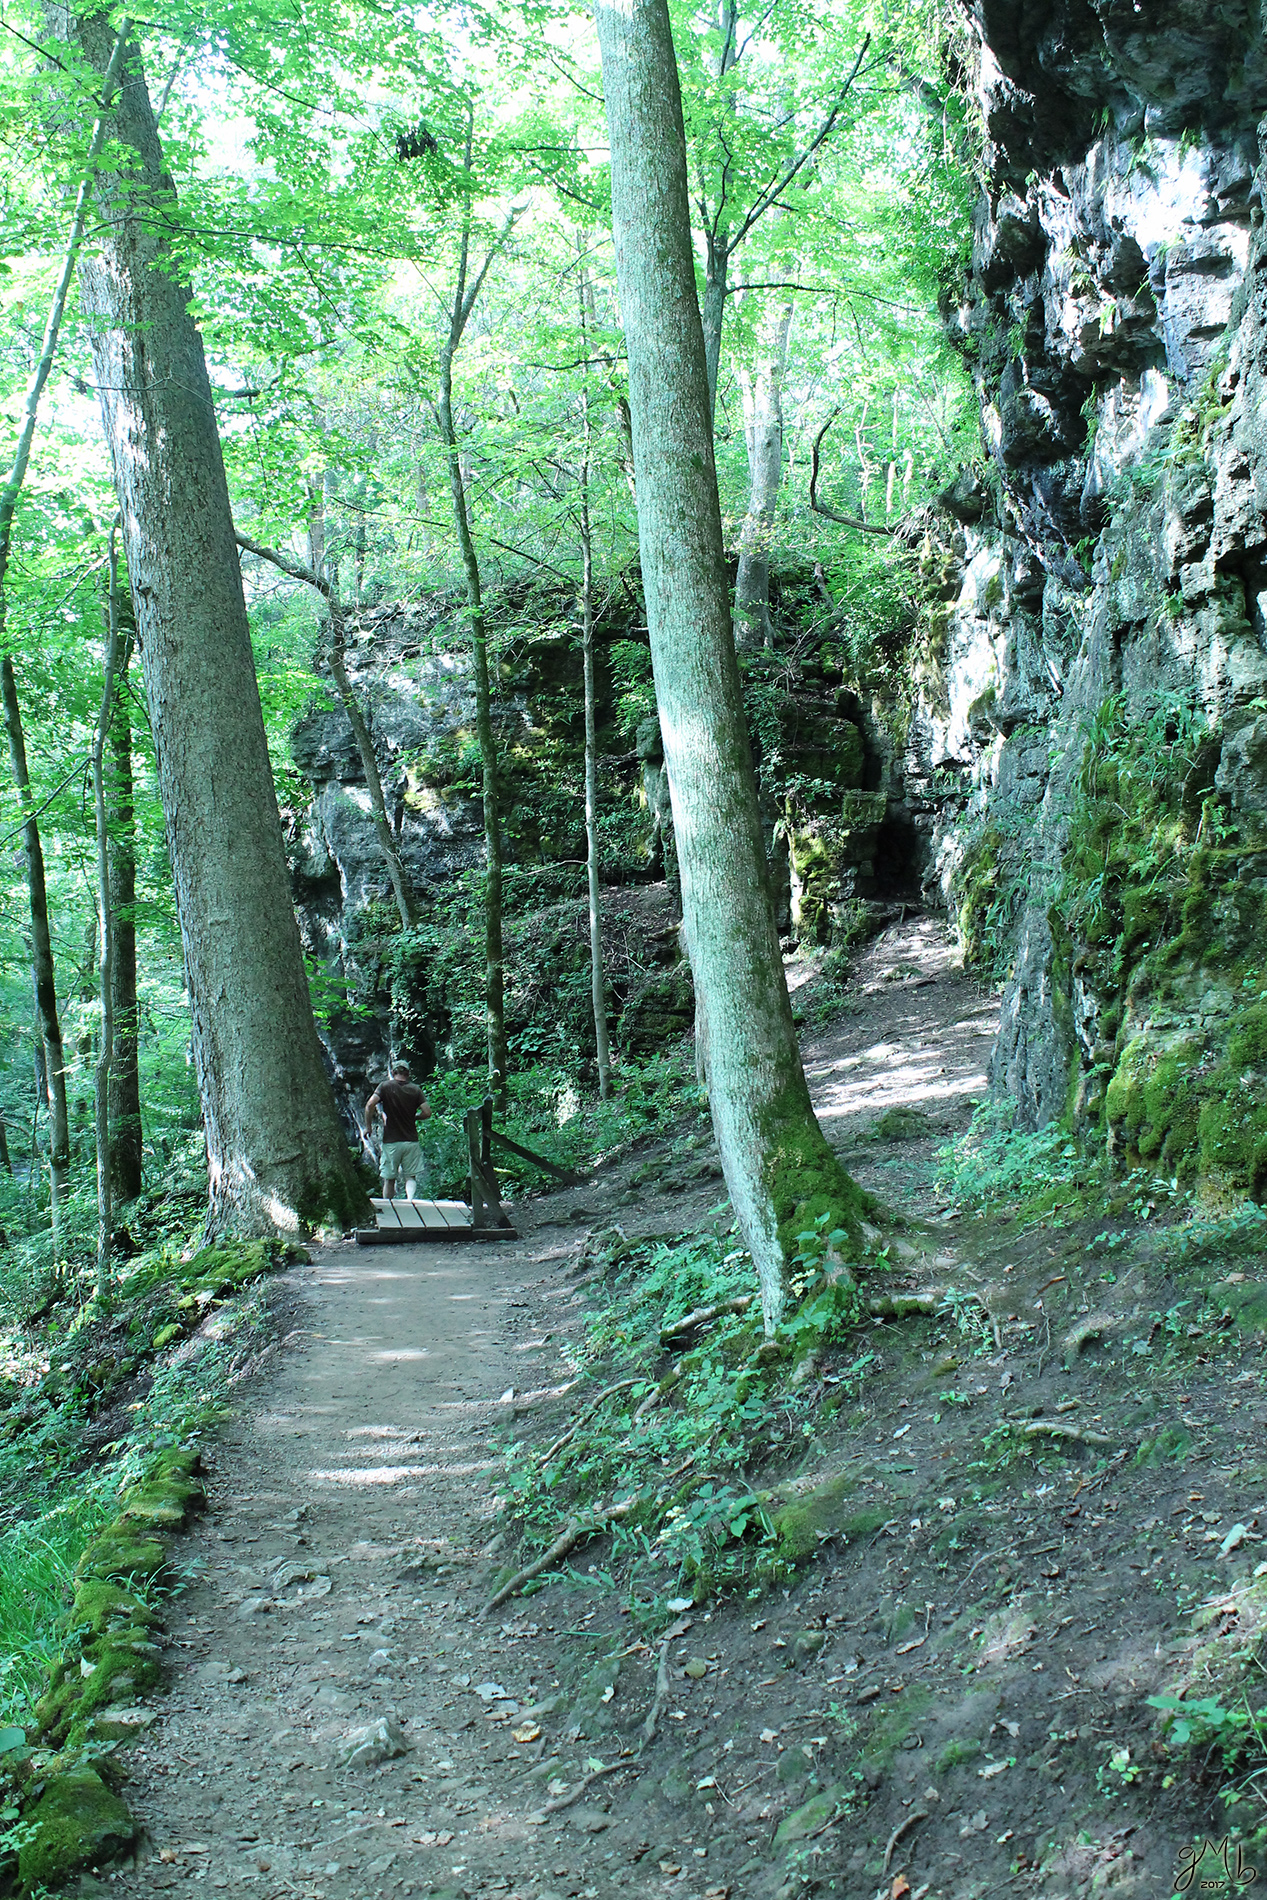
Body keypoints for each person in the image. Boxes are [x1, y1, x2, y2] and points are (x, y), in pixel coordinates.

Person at [365, 1061, 431, 1201]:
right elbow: (427, 1112)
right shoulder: (415, 1090)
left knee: (389, 1178)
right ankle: (410, 1202)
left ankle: (389, 1207)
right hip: (411, 1140)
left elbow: (370, 1104)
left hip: (391, 1141)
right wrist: (415, 1117)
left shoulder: (385, 1086)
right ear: (408, 1073)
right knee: (410, 1176)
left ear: (393, 1072)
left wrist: (368, 1126)